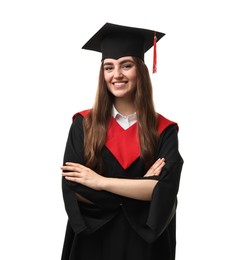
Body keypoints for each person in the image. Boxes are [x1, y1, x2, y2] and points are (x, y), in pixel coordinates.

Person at [60, 22, 183, 260]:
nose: (116, 75)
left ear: (141, 70)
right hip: (92, 243)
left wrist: (99, 182)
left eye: (126, 65)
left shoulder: (165, 130)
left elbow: (165, 191)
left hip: (145, 245)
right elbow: (73, 189)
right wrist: (141, 188)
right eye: (109, 67)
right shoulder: (83, 124)